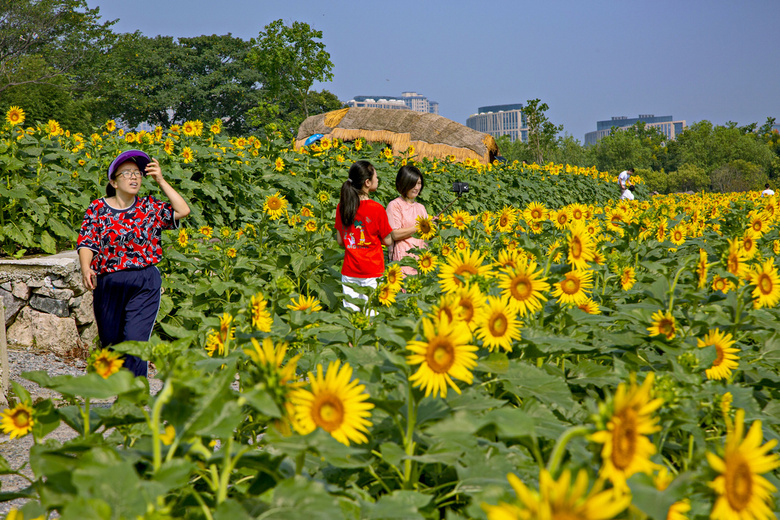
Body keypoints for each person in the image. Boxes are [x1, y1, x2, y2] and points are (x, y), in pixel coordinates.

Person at [77, 150, 190, 377]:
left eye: (138, 173)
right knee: (112, 345)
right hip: (109, 283)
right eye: (127, 173)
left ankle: (136, 393)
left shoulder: (149, 207)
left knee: (135, 342)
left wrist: (161, 180)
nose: (134, 177)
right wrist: (86, 267)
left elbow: (183, 210)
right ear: (113, 182)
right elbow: (87, 242)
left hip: (144, 281)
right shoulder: (98, 209)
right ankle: (122, 391)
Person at [334, 161, 393, 312]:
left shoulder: (342, 206)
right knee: (371, 314)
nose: (377, 180)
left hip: (350, 271)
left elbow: (340, 241)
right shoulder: (377, 209)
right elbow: (387, 241)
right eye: (376, 177)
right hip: (372, 271)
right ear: (367, 182)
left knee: (351, 315)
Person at [386, 165, 429, 276]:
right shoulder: (395, 205)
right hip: (403, 261)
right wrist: (419, 227)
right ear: (404, 183)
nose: (416, 187)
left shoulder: (421, 207)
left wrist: (431, 227)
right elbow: (395, 234)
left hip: (421, 262)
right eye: (413, 184)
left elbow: (426, 236)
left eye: (419, 183)